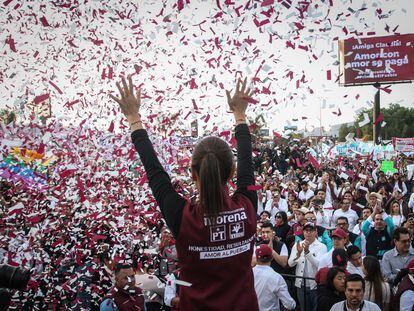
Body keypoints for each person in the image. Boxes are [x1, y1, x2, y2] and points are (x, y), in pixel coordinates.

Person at [110, 76, 259, 309]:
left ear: (192, 173)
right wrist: (240, 114)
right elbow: (248, 164)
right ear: (232, 173)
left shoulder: (183, 217)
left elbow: (155, 173)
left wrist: (133, 117)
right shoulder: (247, 206)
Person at [288, 222, 327, 311]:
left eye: (311, 230)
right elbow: (290, 264)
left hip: (315, 285)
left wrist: (307, 252)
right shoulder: (298, 244)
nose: (308, 233)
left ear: (316, 232)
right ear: (303, 232)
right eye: (306, 230)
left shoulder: (322, 246)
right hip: (300, 284)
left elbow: (319, 265)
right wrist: (298, 254)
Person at [253, 244, 296, 311]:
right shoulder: (276, 277)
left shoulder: (248, 274)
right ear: (271, 257)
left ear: (256, 258)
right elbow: (289, 305)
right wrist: (292, 305)